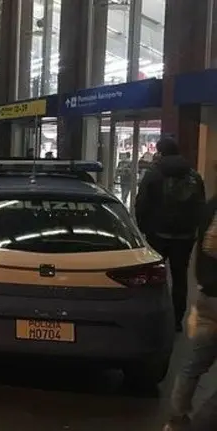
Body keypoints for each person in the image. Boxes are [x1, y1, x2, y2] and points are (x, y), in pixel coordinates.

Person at [135, 137, 206, 331]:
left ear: (161, 152)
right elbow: (201, 205)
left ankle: (153, 315)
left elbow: (142, 203)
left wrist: (143, 227)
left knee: (153, 276)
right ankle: (176, 319)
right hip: (185, 236)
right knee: (180, 276)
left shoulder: (154, 173)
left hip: (157, 233)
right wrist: (195, 229)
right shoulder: (193, 175)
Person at [162, 191, 217, 431]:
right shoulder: (197, 188)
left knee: (193, 364)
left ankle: (176, 420)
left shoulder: (212, 204)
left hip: (208, 295)